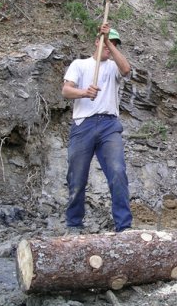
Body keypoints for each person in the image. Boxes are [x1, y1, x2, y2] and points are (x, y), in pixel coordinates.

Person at [62, 23, 132, 233]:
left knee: (118, 172)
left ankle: (124, 226)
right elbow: (66, 90)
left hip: (109, 125)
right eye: (107, 42)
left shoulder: (114, 67)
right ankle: (74, 224)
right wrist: (84, 92)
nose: (111, 47)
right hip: (83, 125)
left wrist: (109, 41)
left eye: (115, 44)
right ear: (96, 41)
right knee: (76, 176)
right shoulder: (79, 64)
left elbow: (127, 69)